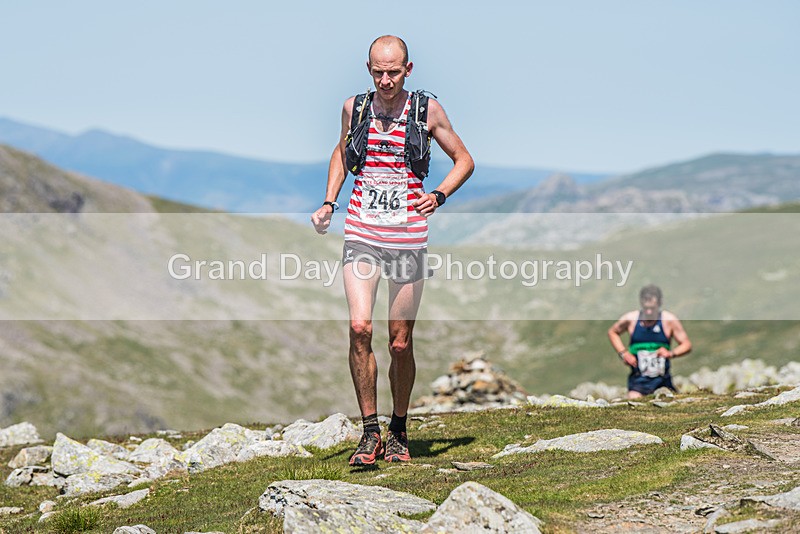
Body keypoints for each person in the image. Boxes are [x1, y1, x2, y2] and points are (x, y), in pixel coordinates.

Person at [311, 35, 474, 465]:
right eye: (378, 71)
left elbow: (464, 160)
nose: (386, 80)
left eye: (394, 71)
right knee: (360, 327)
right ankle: (369, 432)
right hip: (362, 231)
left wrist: (438, 196)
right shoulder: (355, 108)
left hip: (406, 236)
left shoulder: (426, 111)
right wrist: (329, 201)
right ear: (369, 69)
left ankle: (398, 430)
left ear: (409, 69)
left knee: (400, 343)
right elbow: (343, 153)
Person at [608, 284, 692, 398]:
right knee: (635, 405)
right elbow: (612, 332)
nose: (648, 312)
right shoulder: (631, 319)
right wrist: (624, 353)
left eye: (652, 309)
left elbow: (686, 344)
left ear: (659, 303)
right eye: (645, 308)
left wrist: (671, 353)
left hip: (663, 381)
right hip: (638, 382)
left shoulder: (668, 320)